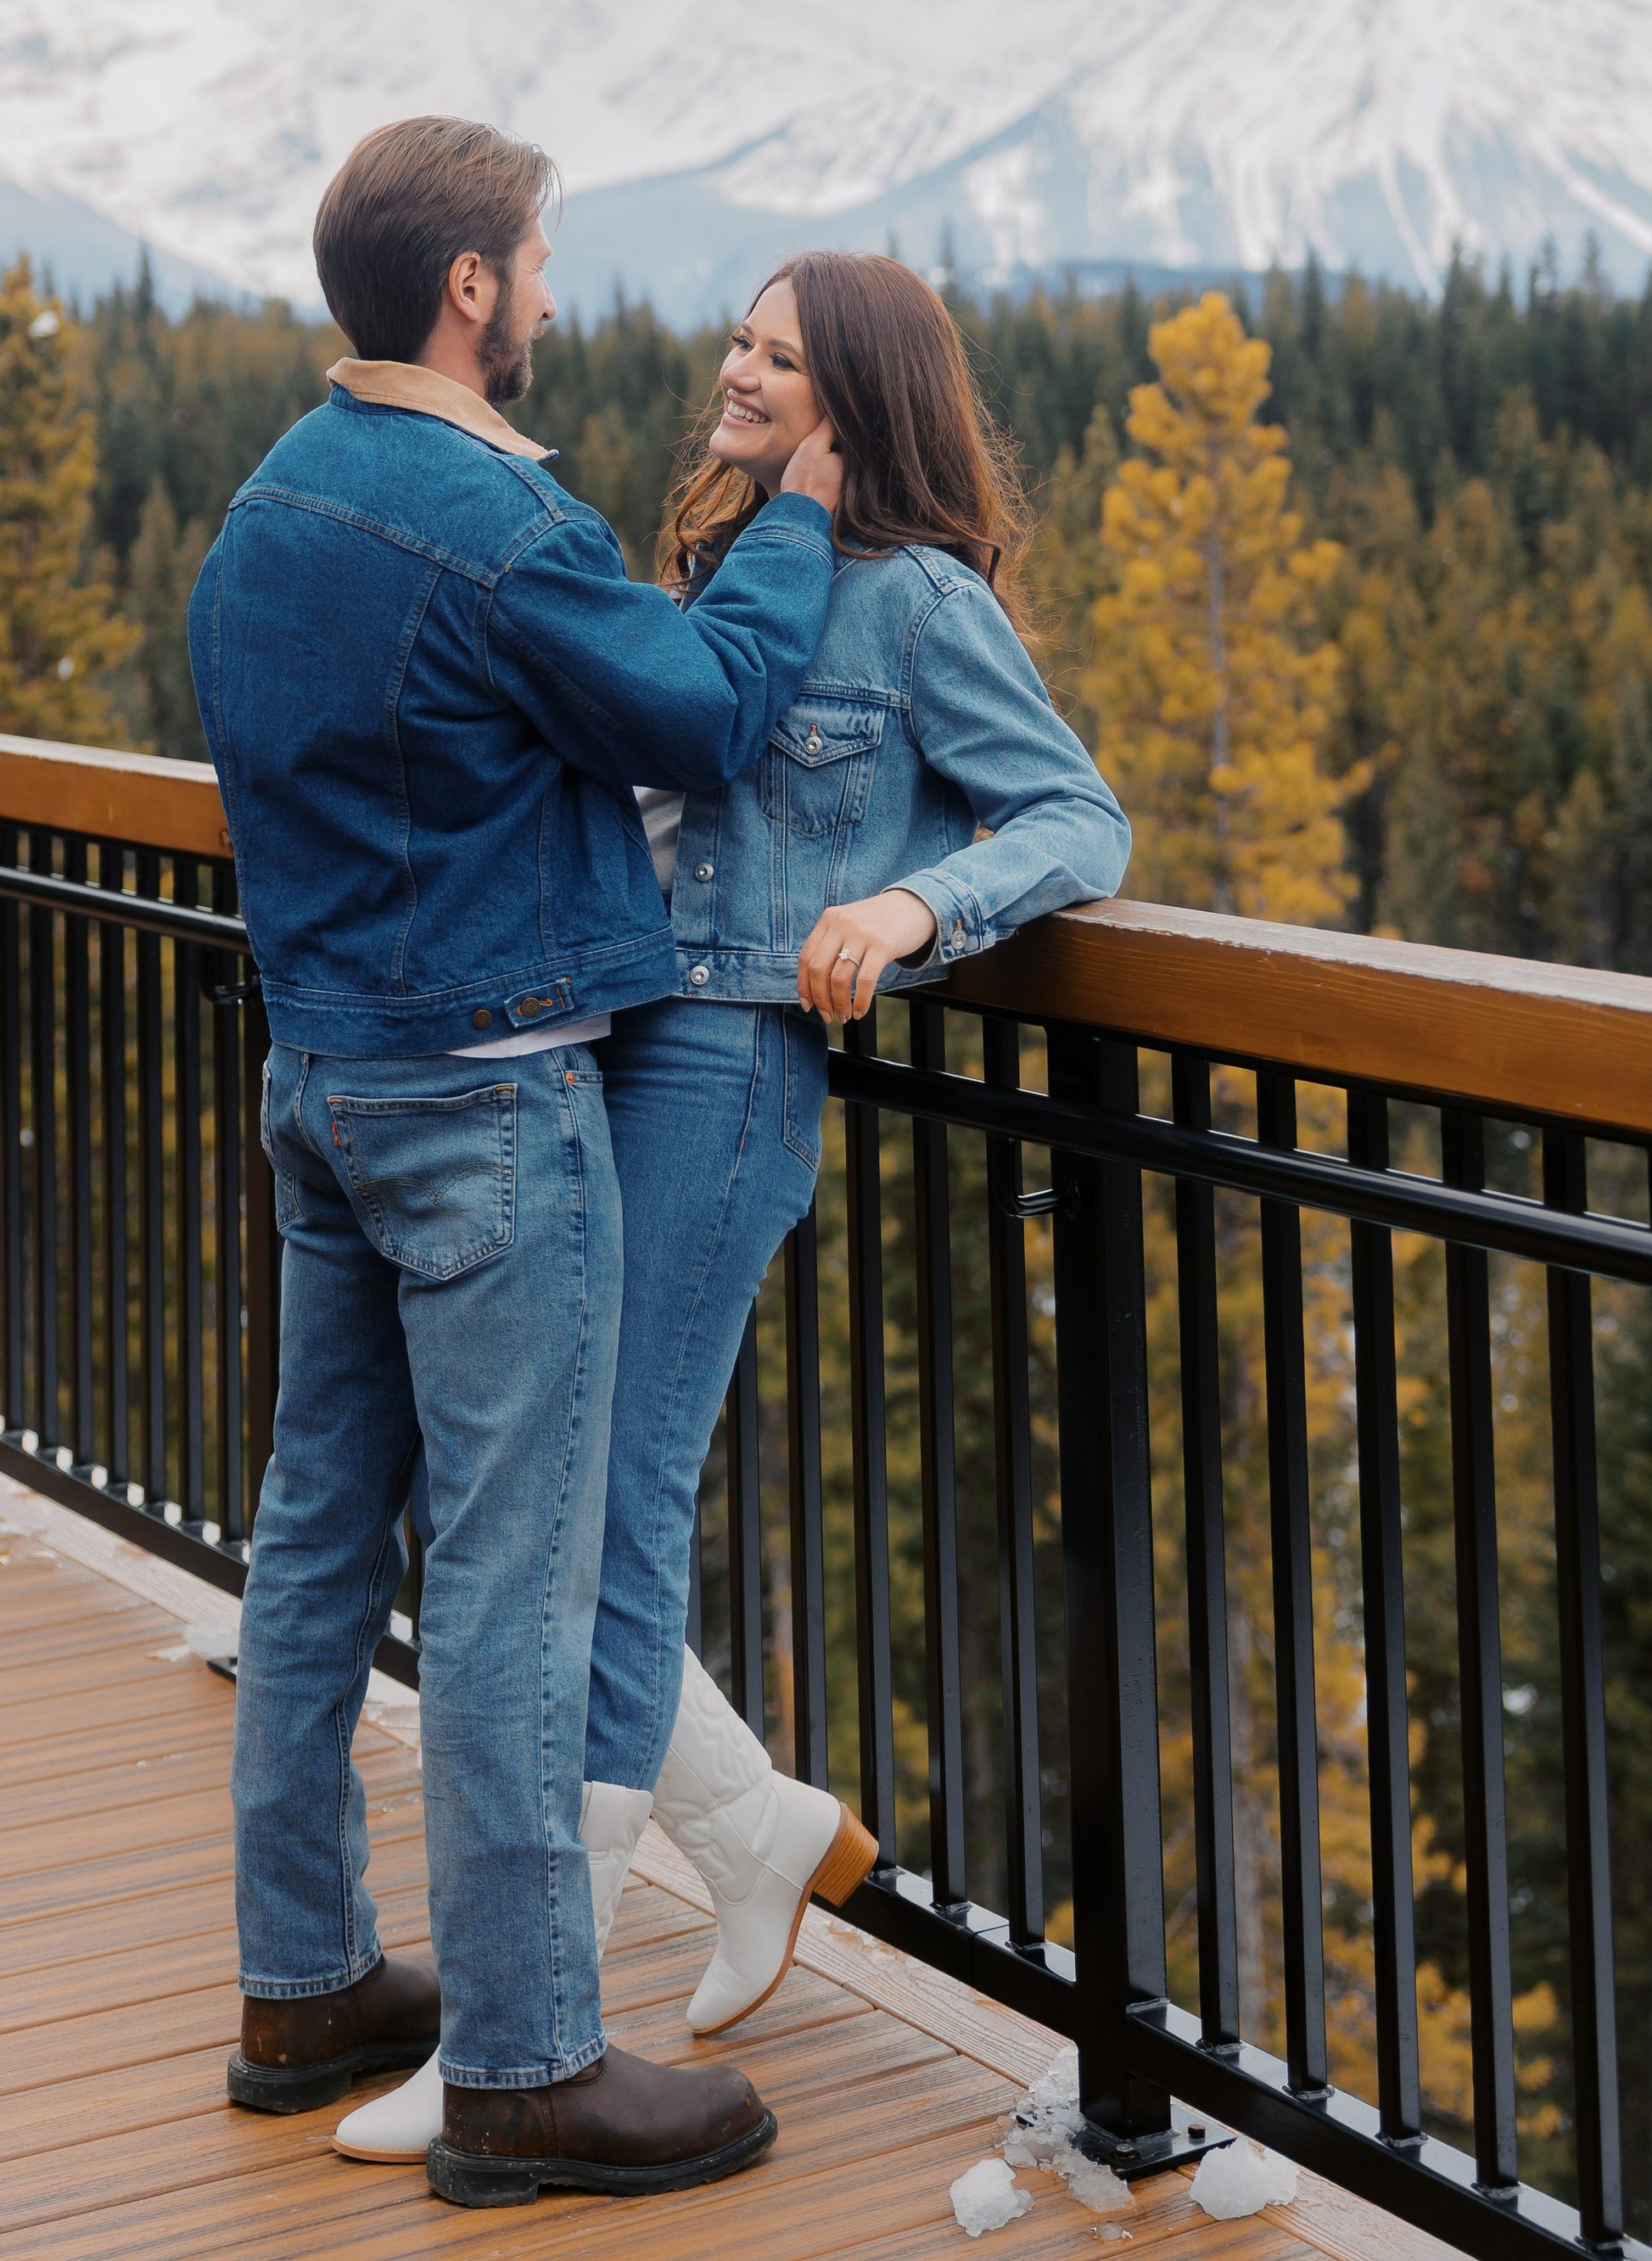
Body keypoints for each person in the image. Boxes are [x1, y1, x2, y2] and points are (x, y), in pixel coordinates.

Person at [338, 249, 1128, 2164]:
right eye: (740, 342)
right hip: (607, 1052)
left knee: (604, 1510)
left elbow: (1076, 818)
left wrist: (909, 907)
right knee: (545, 1506)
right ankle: (752, 1835)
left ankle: (529, 2029)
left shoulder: (918, 600)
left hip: (728, 1076)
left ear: (856, 396)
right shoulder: (739, 568)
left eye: (778, 354)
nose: (735, 368)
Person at [190, 118, 845, 2210]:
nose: (555, 293)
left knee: (311, 1547)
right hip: (488, 1105)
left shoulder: (274, 504)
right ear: (469, 285)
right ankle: (528, 2064)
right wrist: (801, 517)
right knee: (505, 1586)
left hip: (325, 1086)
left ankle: (300, 1987)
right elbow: (707, 712)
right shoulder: (491, 517)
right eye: (541, 261)